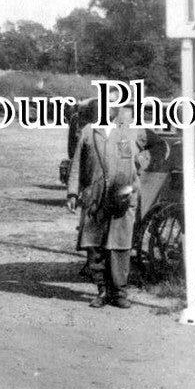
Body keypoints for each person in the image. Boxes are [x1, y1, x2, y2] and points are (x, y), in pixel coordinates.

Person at [66, 101, 149, 308]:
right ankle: (102, 291)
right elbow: (77, 164)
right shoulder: (88, 132)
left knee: (120, 246)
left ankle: (120, 293)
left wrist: (141, 162)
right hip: (95, 197)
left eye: (113, 107)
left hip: (122, 197)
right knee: (95, 247)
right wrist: (73, 193)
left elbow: (157, 147)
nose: (109, 111)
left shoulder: (130, 132)